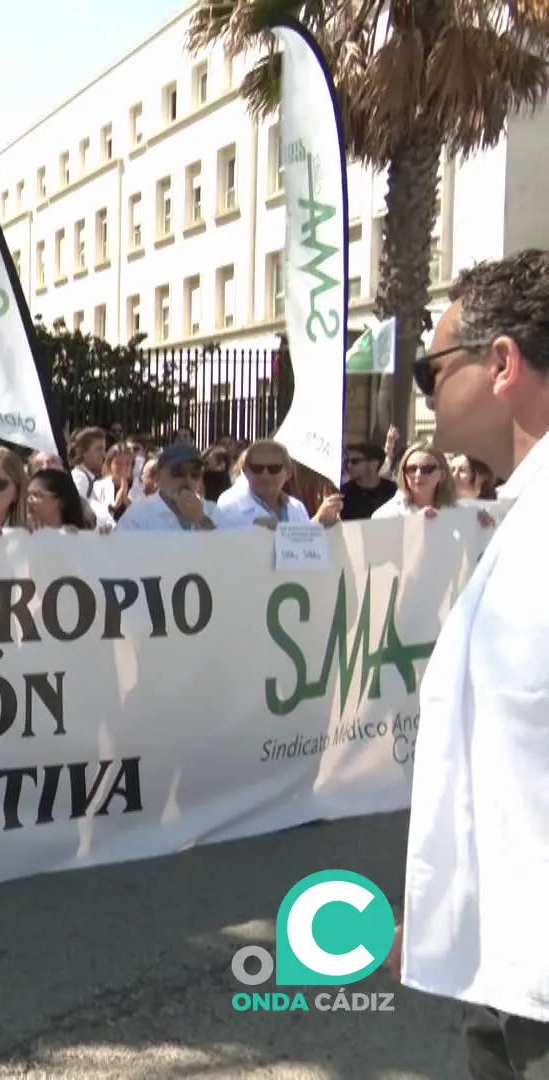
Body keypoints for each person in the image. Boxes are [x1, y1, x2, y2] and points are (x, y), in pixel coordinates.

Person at [401, 251, 549, 1079]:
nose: (425, 392)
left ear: (502, 363)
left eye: (432, 368)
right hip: (502, 965)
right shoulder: (522, 514)